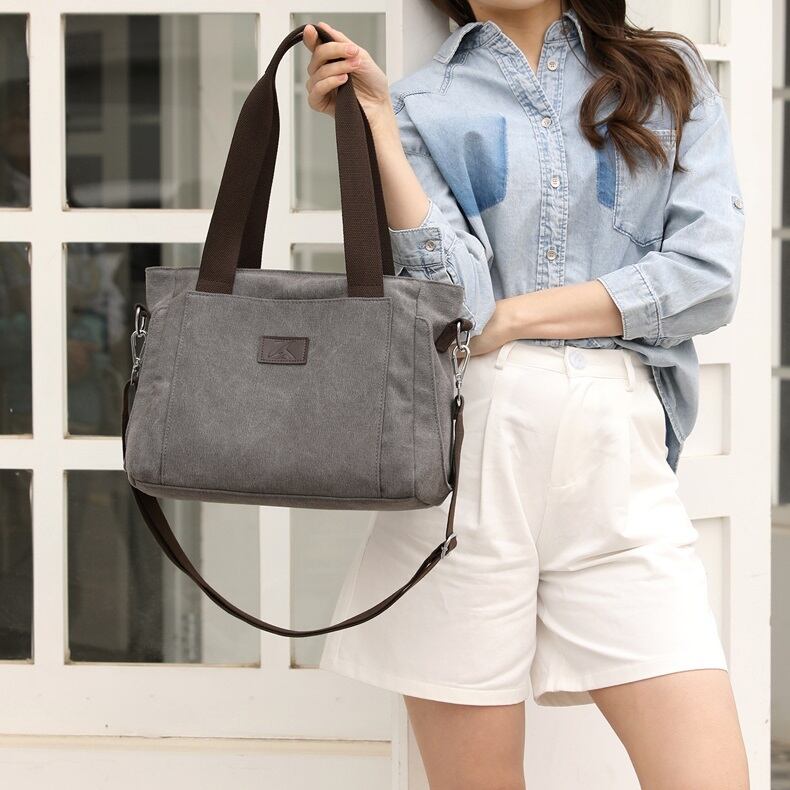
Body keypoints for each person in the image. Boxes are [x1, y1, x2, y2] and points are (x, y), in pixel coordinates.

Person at [302, 2, 749, 788]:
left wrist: (517, 318)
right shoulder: (418, 103)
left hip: (617, 458)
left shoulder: (666, 75)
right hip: (469, 458)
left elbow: (708, 278)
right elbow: (461, 304)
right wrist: (377, 126)